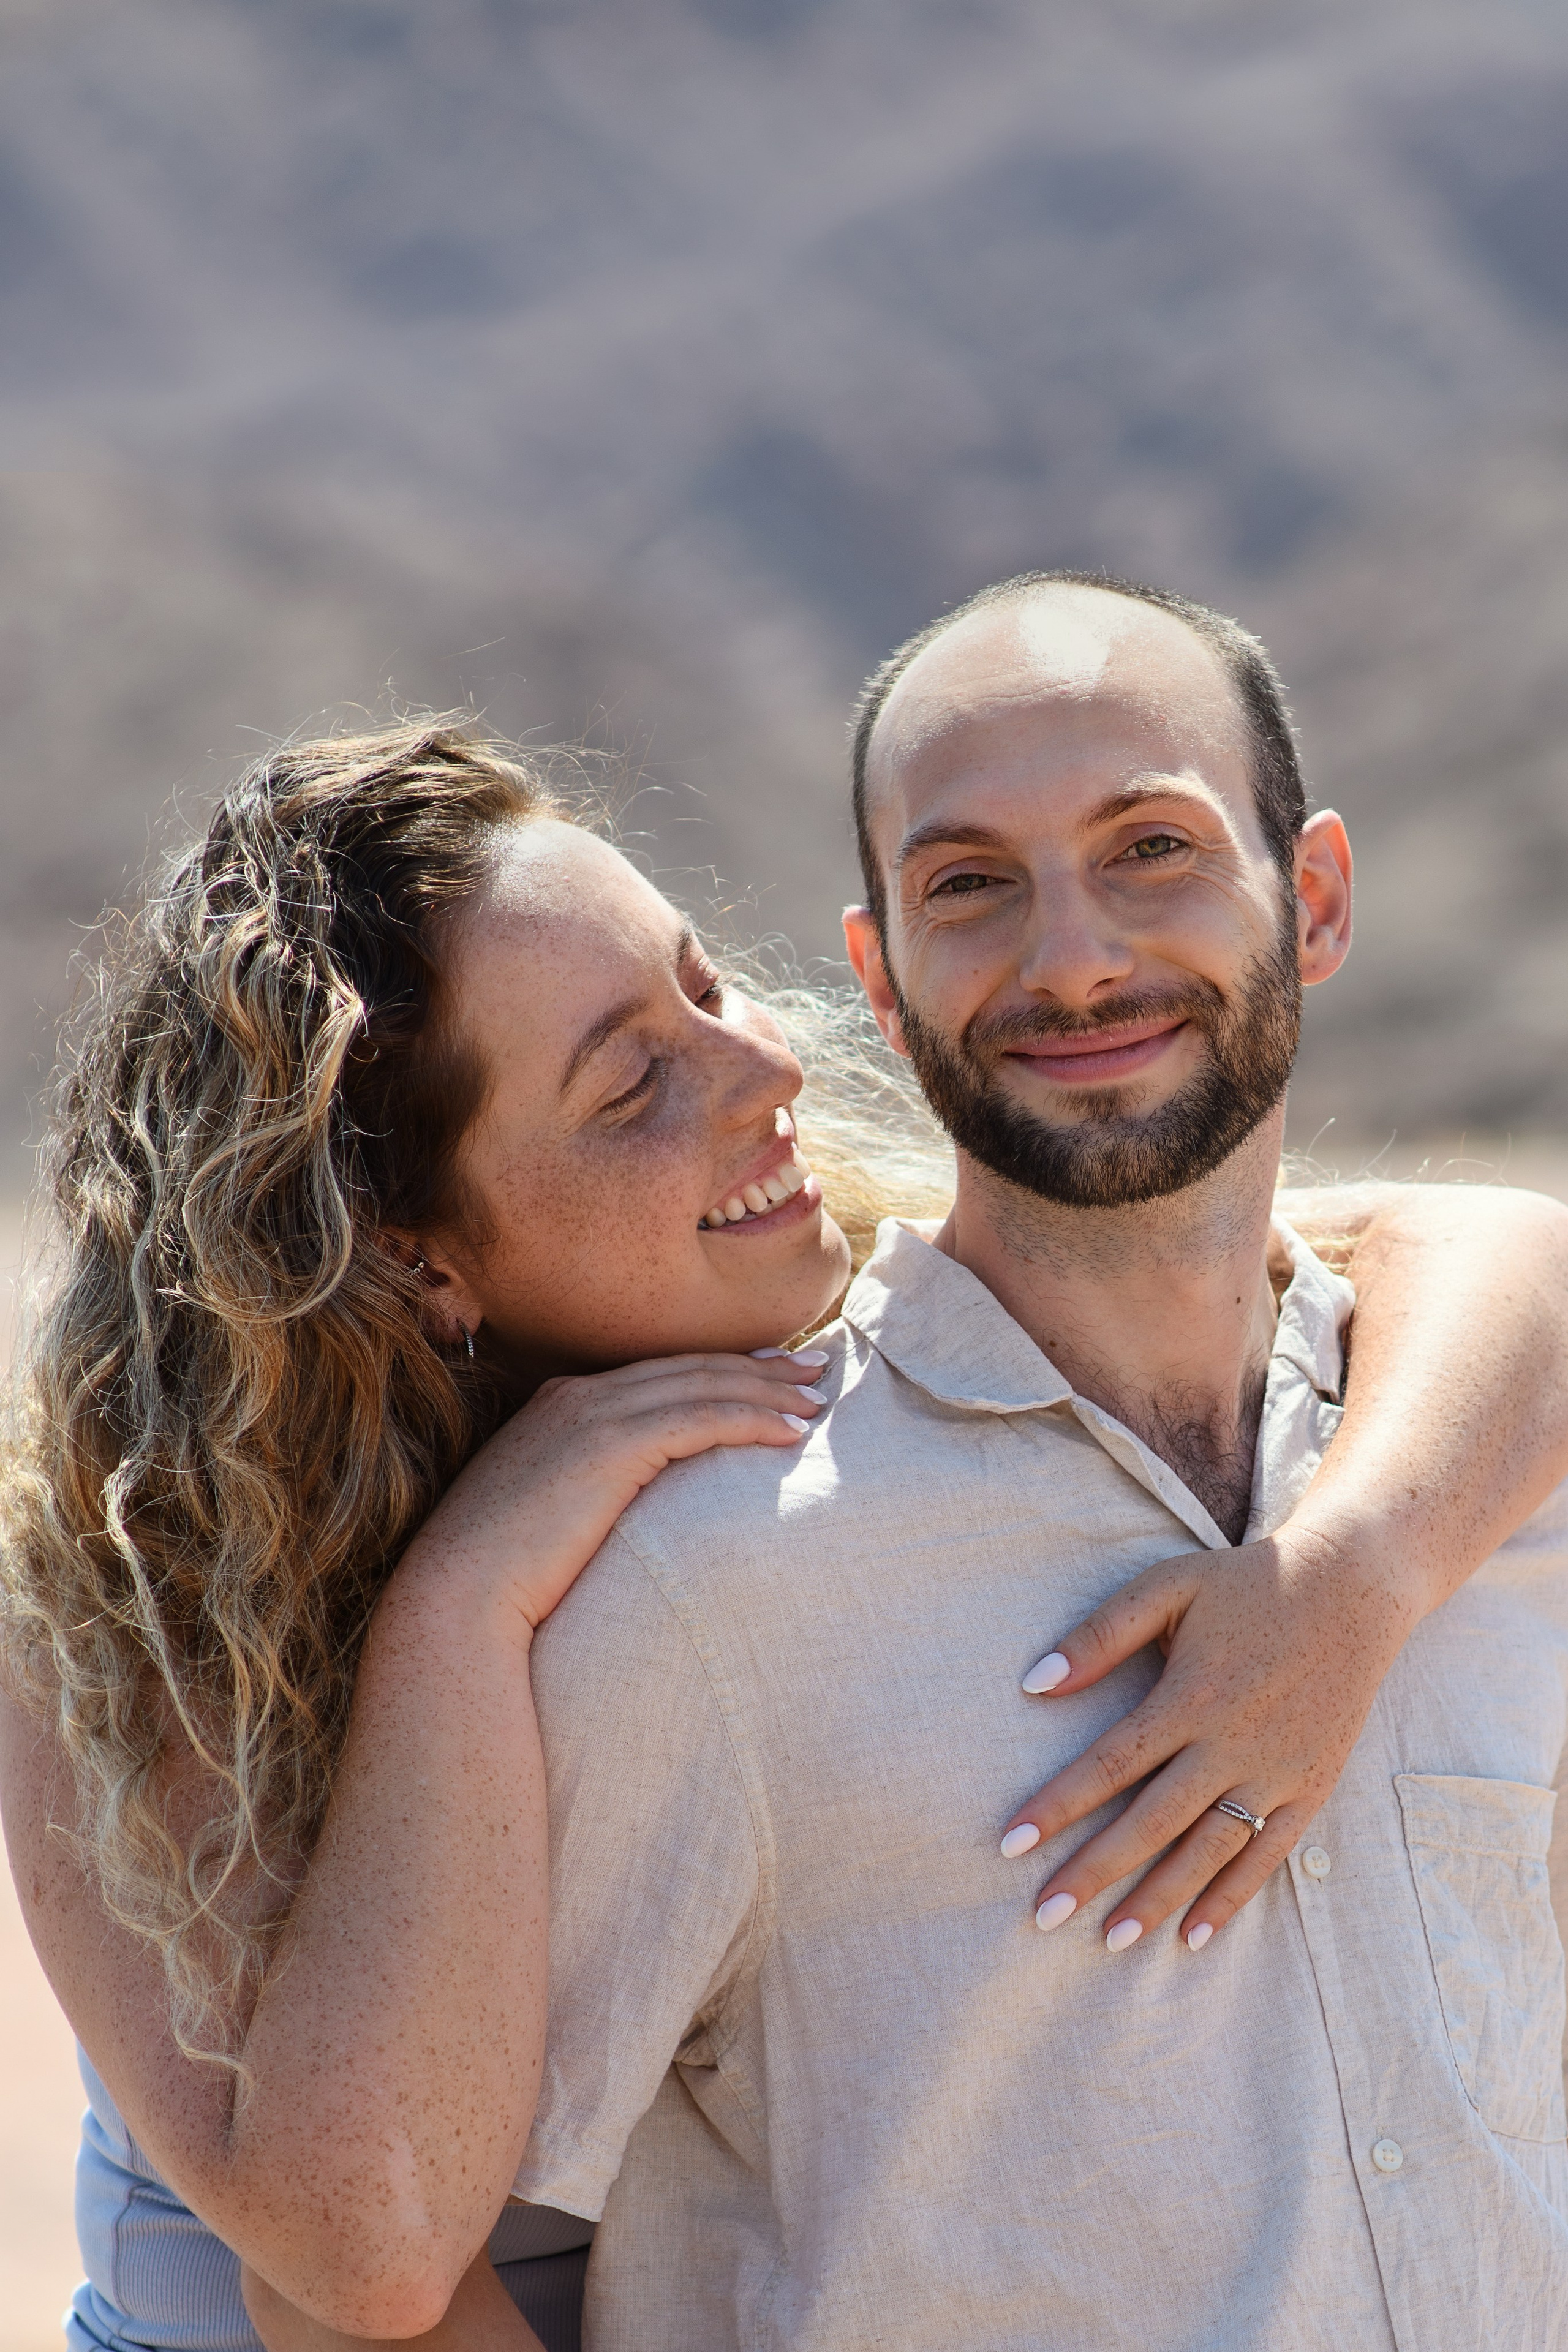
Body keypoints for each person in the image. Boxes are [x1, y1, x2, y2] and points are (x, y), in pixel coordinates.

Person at [1, 702, 1564, 2352]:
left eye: (699, 982)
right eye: (632, 1084)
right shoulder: (141, 1603)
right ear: (413, 1257)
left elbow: (1471, 1251)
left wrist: (1337, 1588)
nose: (765, 1063)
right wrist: (463, 1598)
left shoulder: (814, 1317)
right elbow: (362, 2264)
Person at [476, 574, 1568, 2352]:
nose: (1070, 958)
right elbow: (415, 2266)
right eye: (970, 884)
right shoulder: (707, 1577)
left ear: (1315, 899)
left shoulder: (1497, 1476)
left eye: (1152, 848)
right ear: (882, 982)